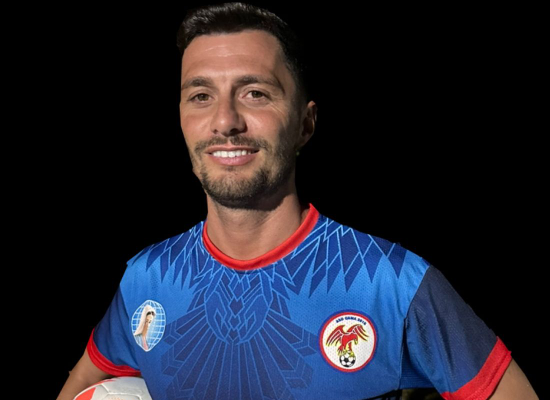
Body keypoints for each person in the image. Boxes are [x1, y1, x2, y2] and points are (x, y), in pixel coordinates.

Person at [57, 3, 538, 400]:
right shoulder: (145, 279)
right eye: (200, 96)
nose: (225, 121)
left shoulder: (393, 283)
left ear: (305, 125)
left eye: (255, 93)